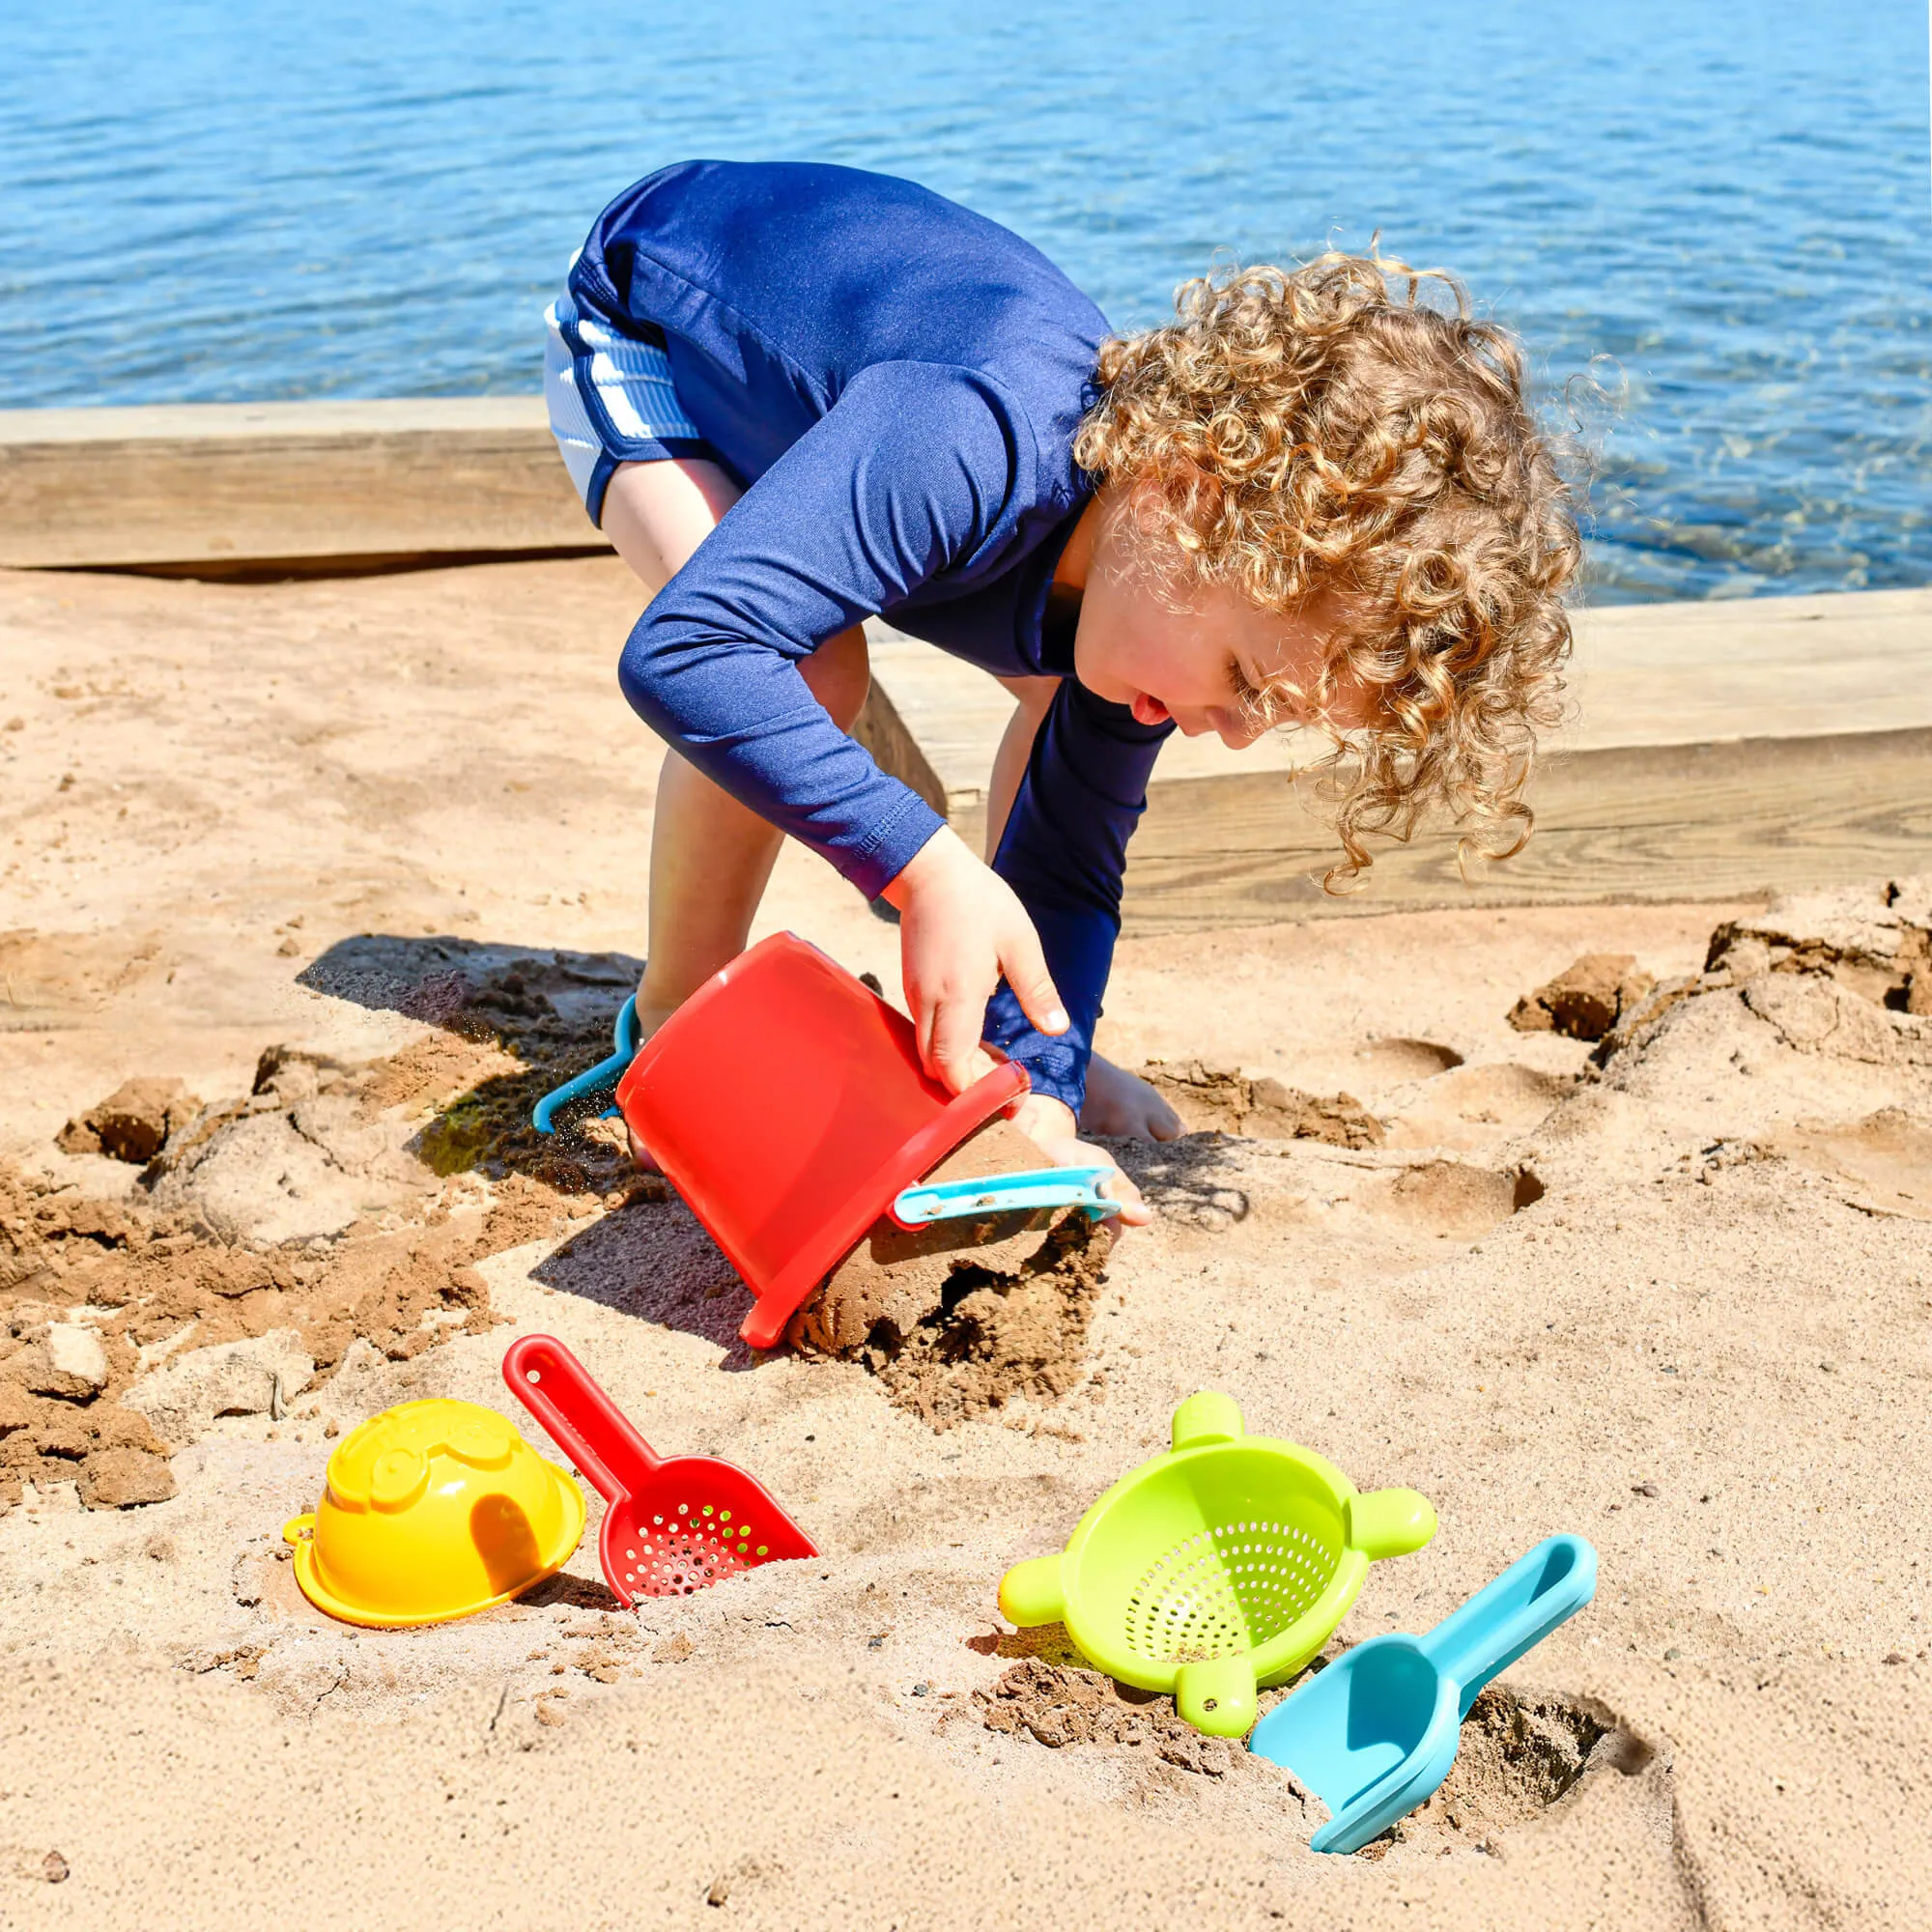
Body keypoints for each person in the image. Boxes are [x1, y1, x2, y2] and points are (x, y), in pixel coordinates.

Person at [544, 161, 1578, 1219]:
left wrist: (1039, 1087)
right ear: (1186, 493)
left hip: (846, 420)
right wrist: (924, 868)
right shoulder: (973, 437)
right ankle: (669, 1015)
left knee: (1057, 711)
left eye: (1269, 712)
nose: (1227, 732)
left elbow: (1070, 863)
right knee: (811, 664)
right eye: (1243, 681)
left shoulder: (1155, 591)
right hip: (659, 326)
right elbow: (689, 650)